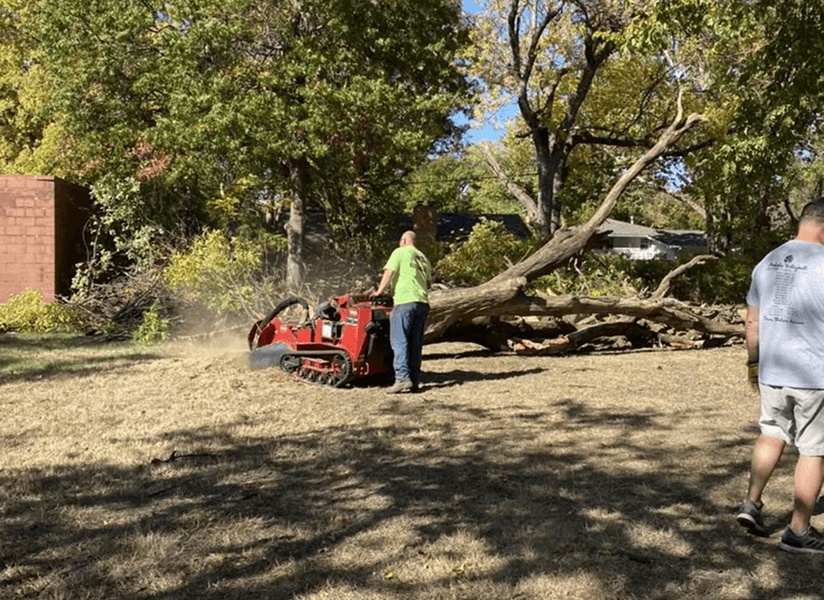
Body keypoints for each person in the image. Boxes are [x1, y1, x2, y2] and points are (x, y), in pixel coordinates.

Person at [736, 198, 824, 553]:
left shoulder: (766, 262)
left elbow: (752, 321)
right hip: (814, 374)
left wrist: (753, 364)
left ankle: (751, 505)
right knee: (814, 450)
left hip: (772, 369)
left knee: (771, 433)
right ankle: (799, 530)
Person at [371, 230, 432, 393]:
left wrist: (379, 291)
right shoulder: (423, 257)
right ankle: (414, 380)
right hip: (422, 303)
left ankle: (402, 379)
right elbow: (428, 283)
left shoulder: (400, 251)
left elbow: (389, 272)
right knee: (415, 342)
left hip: (405, 302)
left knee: (399, 341)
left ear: (403, 240)